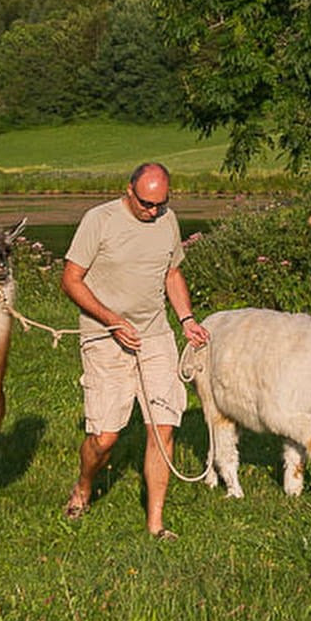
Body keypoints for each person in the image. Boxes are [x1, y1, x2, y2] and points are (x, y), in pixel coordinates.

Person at [60, 162, 210, 539]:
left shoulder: (168, 220)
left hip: (155, 335)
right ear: (129, 190)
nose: (154, 211)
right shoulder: (99, 220)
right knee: (105, 438)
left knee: (162, 429)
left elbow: (171, 273)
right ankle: (83, 485)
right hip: (104, 336)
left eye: (161, 203)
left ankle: (156, 524)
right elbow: (71, 279)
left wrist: (187, 319)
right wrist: (111, 319)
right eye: (147, 204)